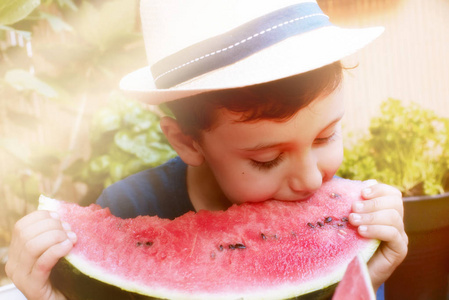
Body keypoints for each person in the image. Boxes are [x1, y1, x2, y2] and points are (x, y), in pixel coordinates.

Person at [5, 1, 408, 299]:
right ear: (187, 141)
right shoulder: (129, 205)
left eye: (325, 137)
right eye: (266, 159)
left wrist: (365, 281)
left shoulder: (345, 218)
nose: (310, 178)